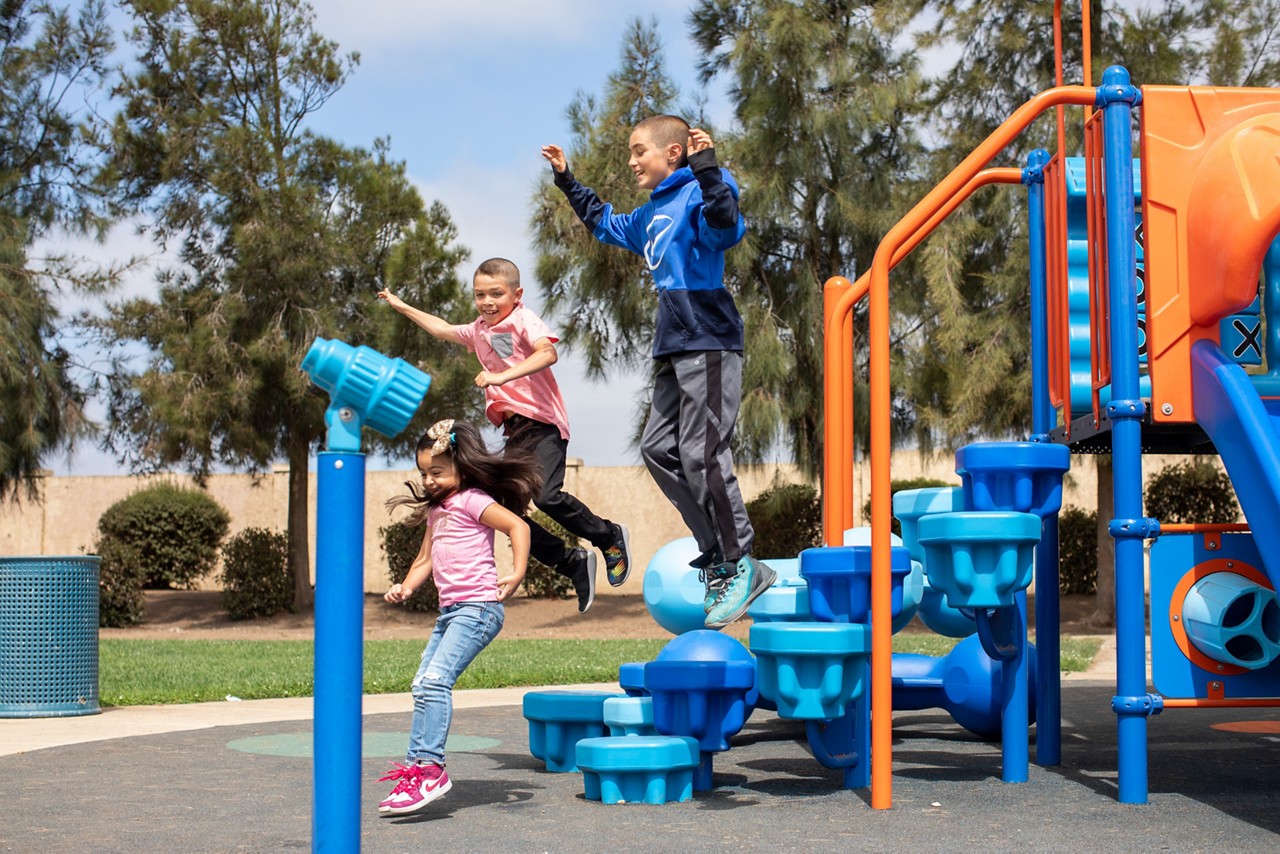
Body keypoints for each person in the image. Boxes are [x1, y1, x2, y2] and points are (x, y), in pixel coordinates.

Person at [541, 114, 775, 629]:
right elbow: (603, 223)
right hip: (673, 347)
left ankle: (741, 563)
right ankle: (715, 554)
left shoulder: (699, 190)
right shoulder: (650, 215)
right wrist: (566, 179)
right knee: (657, 448)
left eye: (638, 150)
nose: (630, 161)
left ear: (672, 153)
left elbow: (725, 223)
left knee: (702, 451)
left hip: (710, 340)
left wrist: (708, 167)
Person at [378, 257, 631, 614]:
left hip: (542, 424)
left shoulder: (521, 319)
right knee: (503, 512)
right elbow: (441, 328)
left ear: (517, 294)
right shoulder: (479, 330)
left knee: (546, 496)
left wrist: (501, 377)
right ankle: (570, 561)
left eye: (496, 293)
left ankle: (608, 536)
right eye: (480, 294)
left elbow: (549, 352)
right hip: (514, 434)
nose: (487, 302)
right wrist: (402, 306)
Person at [376, 419, 540, 816]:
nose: (429, 481)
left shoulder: (472, 500)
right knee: (421, 684)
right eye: (423, 474)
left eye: (436, 472)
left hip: (479, 608)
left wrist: (517, 573)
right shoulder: (438, 512)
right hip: (450, 613)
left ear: (461, 468)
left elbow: (517, 526)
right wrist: (406, 586)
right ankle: (417, 769)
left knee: (435, 682)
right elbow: (424, 560)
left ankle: (431, 769)